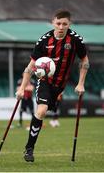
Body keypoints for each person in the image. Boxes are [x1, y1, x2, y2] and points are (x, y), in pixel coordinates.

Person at [16, 9, 89, 162]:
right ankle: (29, 149)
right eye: (58, 23)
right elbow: (30, 67)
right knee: (41, 111)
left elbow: (85, 61)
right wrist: (22, 87)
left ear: (69, 24)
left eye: (65, 24)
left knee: (50, 111)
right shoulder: (44, 41)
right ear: (53, 23)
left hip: (61, 84)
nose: (61, 27)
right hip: (44, 82)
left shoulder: (75, 40)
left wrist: (81, 83)